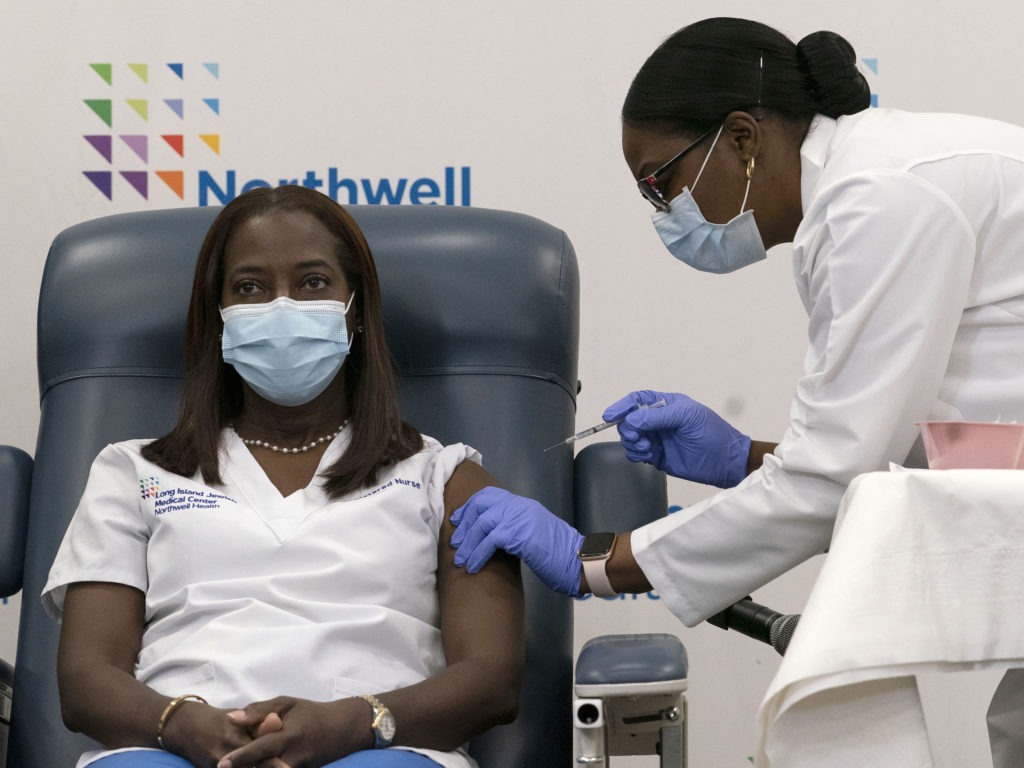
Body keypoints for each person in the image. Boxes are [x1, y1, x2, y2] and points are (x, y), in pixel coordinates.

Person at [449, 14, 1024, 745]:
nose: (665, 214)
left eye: (662, 183)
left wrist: (595, 560)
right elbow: (933, 452)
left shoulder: (879, 199)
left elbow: (828, 480)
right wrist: (744, 458)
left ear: (743, 138)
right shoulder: (863, 194)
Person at [42, 185, 524, 768]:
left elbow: (491, 680)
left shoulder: (445, 477)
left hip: (378, 750)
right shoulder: (133, 473)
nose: (281, 306)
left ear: (356, 312)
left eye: (313, 283)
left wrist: (353, 722)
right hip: (176, 752)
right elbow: (86, 678)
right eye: (249, 288)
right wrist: (179, 723)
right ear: (218, 318)